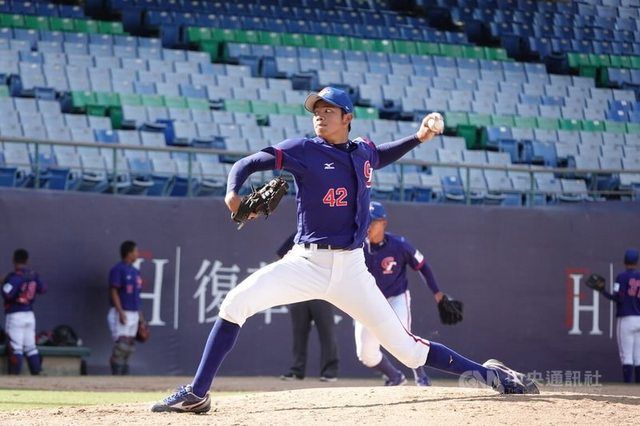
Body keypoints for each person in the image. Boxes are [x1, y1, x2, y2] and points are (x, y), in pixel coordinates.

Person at [152, 86, 538, 414]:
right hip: (305, 261)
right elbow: (249, 162)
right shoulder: (303, 149)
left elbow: (381, 154)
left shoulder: (363, 151)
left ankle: (494, 375)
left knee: (408, 351)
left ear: (347, 117)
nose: (319, 115)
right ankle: (197, 394)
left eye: (328, 110)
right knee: (235, 303)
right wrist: (232, 193)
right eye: (316, 110)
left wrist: (418, 138)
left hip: (353, 270)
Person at [357, 201, 450, 387]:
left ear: (383, 223)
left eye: (372, 221)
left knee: (403, 337)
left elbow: (423, 266)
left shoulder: (399, 244)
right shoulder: (357, 247)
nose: (367, 225)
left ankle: (420, 375)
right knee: (366, 354)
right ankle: (395, 377)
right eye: (365, 220)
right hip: (368, 303)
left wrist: (437, 293)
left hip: (395, 297)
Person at [277, 232, 339, 382]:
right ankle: (297, 370)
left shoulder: (328, 236)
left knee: (326, 332)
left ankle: (330, 371)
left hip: (321, 292)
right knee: (299, 333)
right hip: (298, 292)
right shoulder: (298, 235)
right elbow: (282, 256)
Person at [597, 248, 640, 383]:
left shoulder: (621, 277)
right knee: (638, 356)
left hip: (626, 319)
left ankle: (627, 389)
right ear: (637, 262)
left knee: (626, 355)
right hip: (639, 318)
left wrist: (602, 291)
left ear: (624, 261)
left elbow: (618, 298)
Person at [2, 249, 46, 375]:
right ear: (27, 260)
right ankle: (37, 374)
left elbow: (7, 294)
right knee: (31, 347)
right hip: (29, 315)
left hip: (16, 314)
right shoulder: (33, 275)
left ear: (14, 260)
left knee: (16, 347)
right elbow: (43, 289)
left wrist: (5, 282)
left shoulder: (15, 277)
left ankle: (14, 379)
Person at [108, 240, 144, 375]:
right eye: (136, 251)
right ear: (129, 253)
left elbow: (136, 296)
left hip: (133, 312)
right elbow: (113, 291)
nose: (137, 254)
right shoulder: (118, 269)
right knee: (121, 345)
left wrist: (140, 317)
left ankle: (124, 378)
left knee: (129, 345)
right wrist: (120, 312)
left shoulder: (135, 271)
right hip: (121, 311)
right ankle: (116, 376)